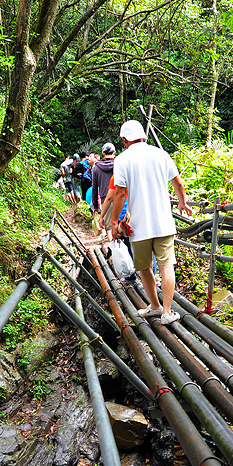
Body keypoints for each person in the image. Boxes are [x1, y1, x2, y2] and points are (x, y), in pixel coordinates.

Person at [111, 119, 192, 324]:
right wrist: (182, 203)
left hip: (137, 226)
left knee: (144, 267)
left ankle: (155, 306)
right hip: (163, 222)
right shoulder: (160, 154)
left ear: (124, 139)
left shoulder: (122, 159)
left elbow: (119, 194)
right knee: (166, 266)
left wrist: (114, 223)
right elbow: (178, 182)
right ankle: (165, 311)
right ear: (143, 136)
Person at [90, 143, 116, 233]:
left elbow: (94, 188)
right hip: (122, 198)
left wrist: (95, 206)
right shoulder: (119, 164)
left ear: (103, 153)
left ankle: (114, 246)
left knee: (109, 229)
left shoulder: (97, 167)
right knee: (123, 226)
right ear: (114, 152)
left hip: (105, 200)